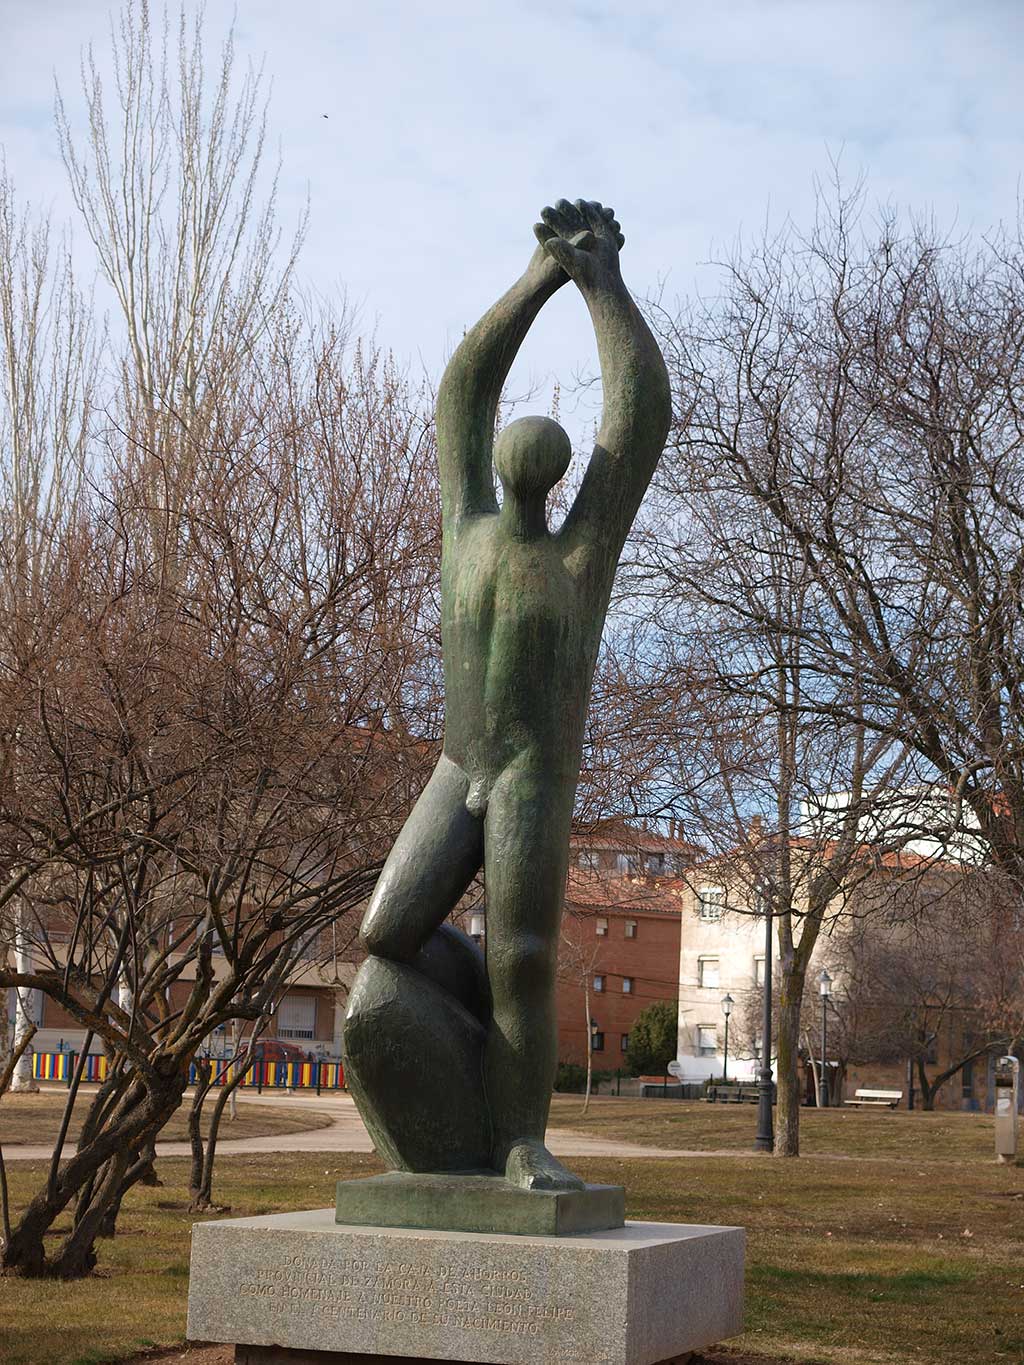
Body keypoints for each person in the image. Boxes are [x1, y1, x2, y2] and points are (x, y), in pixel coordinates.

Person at [354, 200, 671, 1190]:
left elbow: (638, 417)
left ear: (557, 469)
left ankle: (519, 1138)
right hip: (465, 765)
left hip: (531, 776)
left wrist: (604, 286)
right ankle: (463, 1048)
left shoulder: (583, 550)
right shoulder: (469, 530)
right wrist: (541, 276)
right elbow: (465, 387)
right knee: (385, 934)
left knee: (524, 959)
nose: (512, 455)